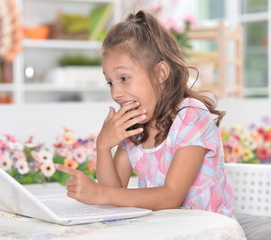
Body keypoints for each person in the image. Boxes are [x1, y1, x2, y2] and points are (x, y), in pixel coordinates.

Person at [55, 10, 233, 217]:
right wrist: (102, 147)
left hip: (208, 229)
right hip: (163, 228)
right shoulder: (134, 127)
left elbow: (170, 197)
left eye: (124, 78)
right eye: (110, 82)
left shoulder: (191, 116)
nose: (116, 92)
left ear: (160, 73)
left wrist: (99, 193)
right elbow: (115, 193)